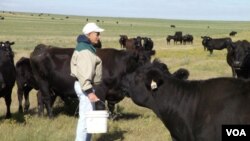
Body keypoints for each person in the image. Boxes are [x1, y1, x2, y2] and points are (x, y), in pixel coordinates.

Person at [70, 22, 104, 141]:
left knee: (88, 119)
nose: (99, 37)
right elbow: (84, 74)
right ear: (89, 34)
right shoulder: (85, 51)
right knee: (85, 119)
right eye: (97, 34)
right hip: (85, 87)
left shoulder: (85, 47)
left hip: (84, 86)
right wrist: (90, 92)